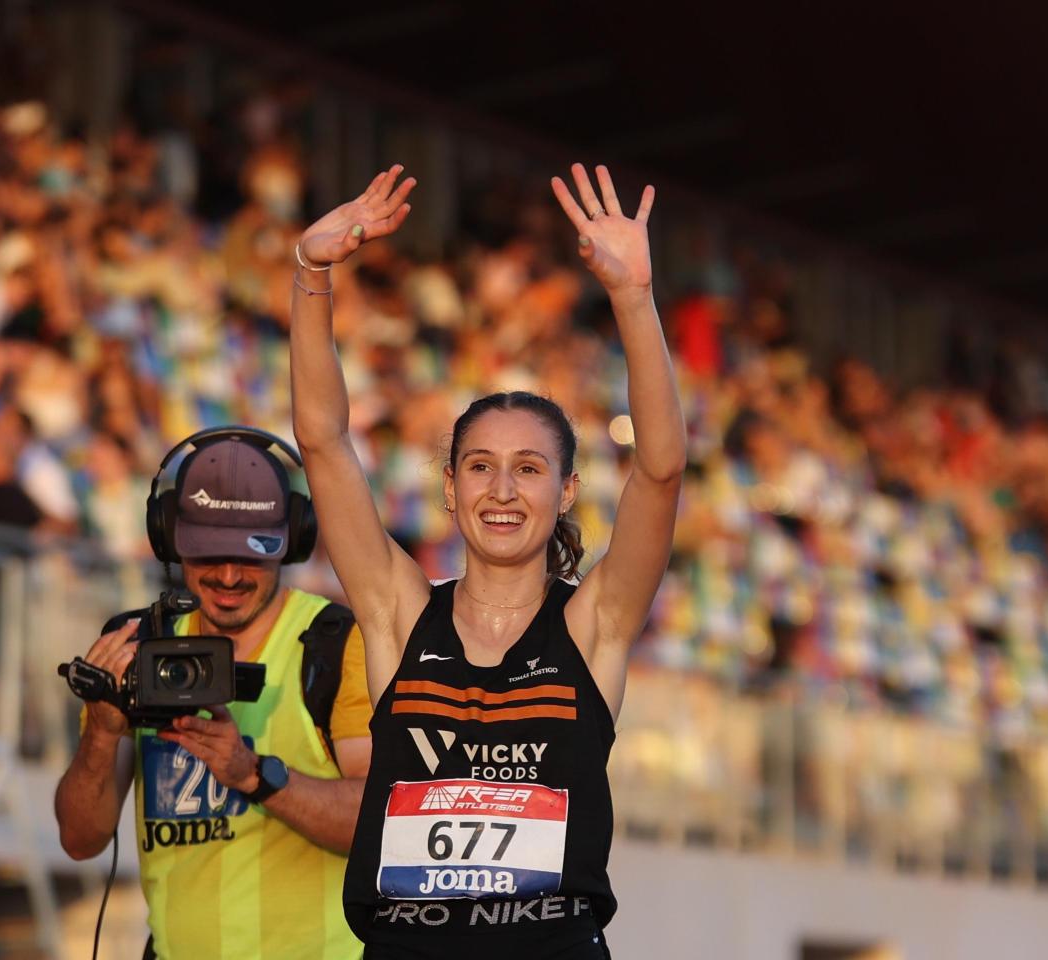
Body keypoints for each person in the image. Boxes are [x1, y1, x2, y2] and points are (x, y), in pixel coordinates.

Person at [289, 164, 685, 958]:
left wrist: (634, 299)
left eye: (529, 469)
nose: (502, 490)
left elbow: (661, 470)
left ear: (567, 491)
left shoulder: (594, 623)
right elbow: (323, 443)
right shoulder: (400, 613)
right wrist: (310, 273)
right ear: (449, 486)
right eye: (480, 466)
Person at [54, 428, 376, 960]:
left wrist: (252, 775)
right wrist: (102, 735)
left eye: (251, 555)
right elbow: (80, 839)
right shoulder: (136, 645)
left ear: (292, 540)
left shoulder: (338, 643)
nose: (228, 576)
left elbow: (377, 825)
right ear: (168, 539)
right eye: (207, 555)